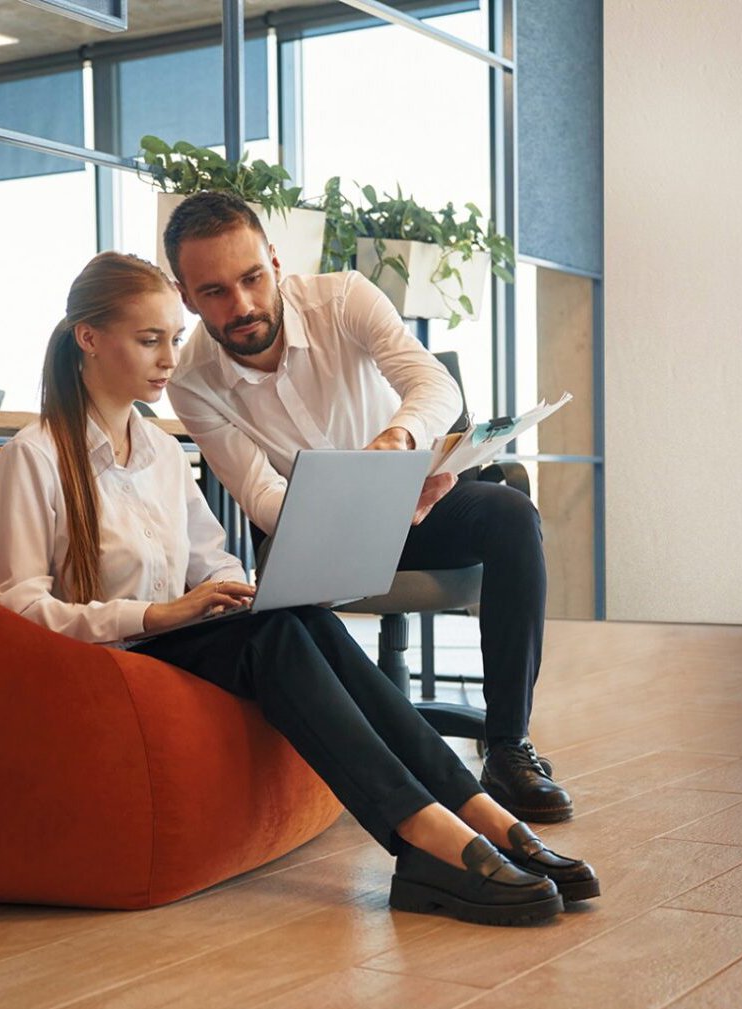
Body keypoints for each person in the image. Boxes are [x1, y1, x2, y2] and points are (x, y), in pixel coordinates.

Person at [0, 252, 599, 927]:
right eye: (149, 340)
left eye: (175, 339)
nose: (169, 359)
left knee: (298, 617)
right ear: (90, 338)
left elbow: (213, 560)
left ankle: (478, 812)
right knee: (274, 637)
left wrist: (231, 591)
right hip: (118, 657)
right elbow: (16, 611)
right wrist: (158, 613)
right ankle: (425, 836)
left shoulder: (162, 453)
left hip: (174, 637)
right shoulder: (33, 458)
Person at [163, 191, 573, 824]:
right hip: (308, 526)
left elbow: (434, 384)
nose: (241, 305)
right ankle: (361, 768)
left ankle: (508, 746)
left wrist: (397, 439)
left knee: (511, 514)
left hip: (415, 506)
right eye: (214, 292)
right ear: (186, 297)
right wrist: (348, 513)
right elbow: (259, 493)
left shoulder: (343, 298)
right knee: (272, 610)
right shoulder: (191, 380)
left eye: (252, 278)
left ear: (275, 262)